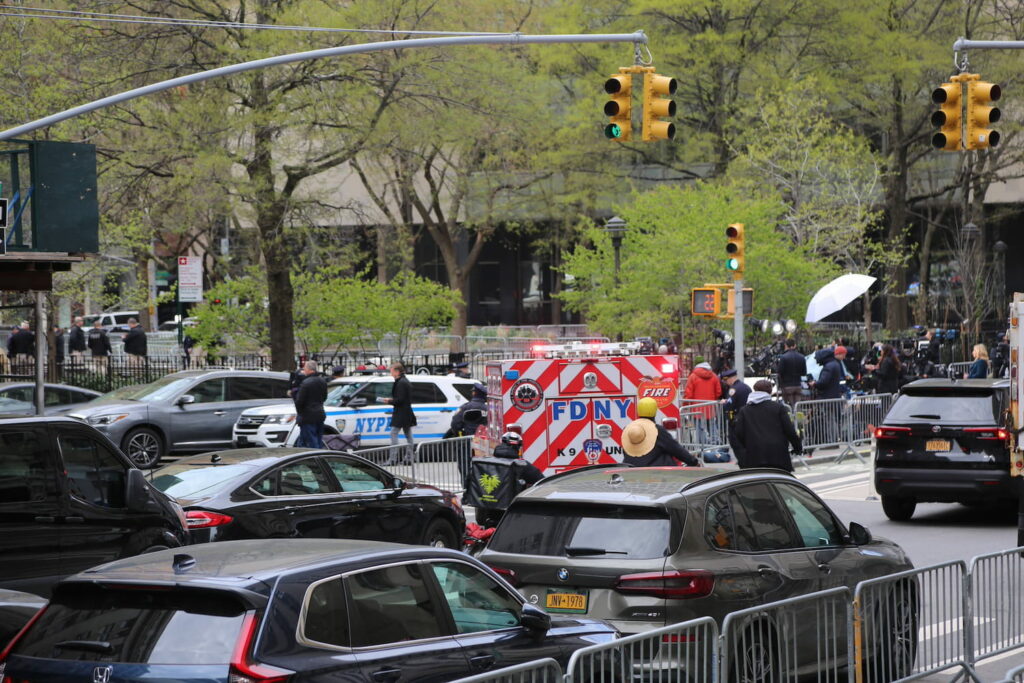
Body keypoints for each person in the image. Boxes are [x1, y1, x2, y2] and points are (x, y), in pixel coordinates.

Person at [733, 379, 803, 472]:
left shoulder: (744, 410)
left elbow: (739, 432)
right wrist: (797, 447)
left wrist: (747, 447)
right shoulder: (778, 407)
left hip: (754, 454)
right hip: (778, 454)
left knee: (759, 482)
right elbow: (789, 430)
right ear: (770, 391)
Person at [621, 397, 700, 467]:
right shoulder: (658, 431)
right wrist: (693, 462)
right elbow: (676, 449)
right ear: (654, 411)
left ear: (638, 410)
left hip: (633, 471)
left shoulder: (628, 430)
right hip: (658, 474)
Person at [382, 361, 417, 465]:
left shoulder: (401, 382)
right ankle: (409, 458)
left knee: (394, 433)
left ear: (397, 371)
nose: (390, 373)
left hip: (402, 412)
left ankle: (393, 459)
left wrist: (389, 401)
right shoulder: (403, 381)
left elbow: (400, 399)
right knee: (408, 435)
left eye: (391, 371)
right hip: (405, 411)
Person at [294, 360, 328, 448]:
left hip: (307, 416)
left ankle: (314, 457)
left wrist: (300, 413)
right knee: (318, 439)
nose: (303, 370)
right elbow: (324, 397)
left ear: (309, 369)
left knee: (310, 441)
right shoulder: (322, 381)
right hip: (320, 414)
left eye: (305, 368)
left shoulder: (306, 383)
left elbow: (299, 401)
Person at [721, 369, 751, 457]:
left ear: (730, 379)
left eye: (726, 380)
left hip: (735, 419)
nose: (726, 383)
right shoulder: (746, 387)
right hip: (747, 417)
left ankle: (742, 460)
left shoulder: (733, 389)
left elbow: (729, 405)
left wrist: (724, 402)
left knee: (735, 442)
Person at [776, 338, 807, 408]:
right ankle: (797, 418)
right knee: (797, 406)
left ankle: (790, 418)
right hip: (798, 385)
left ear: (786, 346)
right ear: (795, 345)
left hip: (787, 385)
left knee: (788, 406)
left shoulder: (783, 357)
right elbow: (804, 372)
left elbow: (780, 371)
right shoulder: (802, 357)